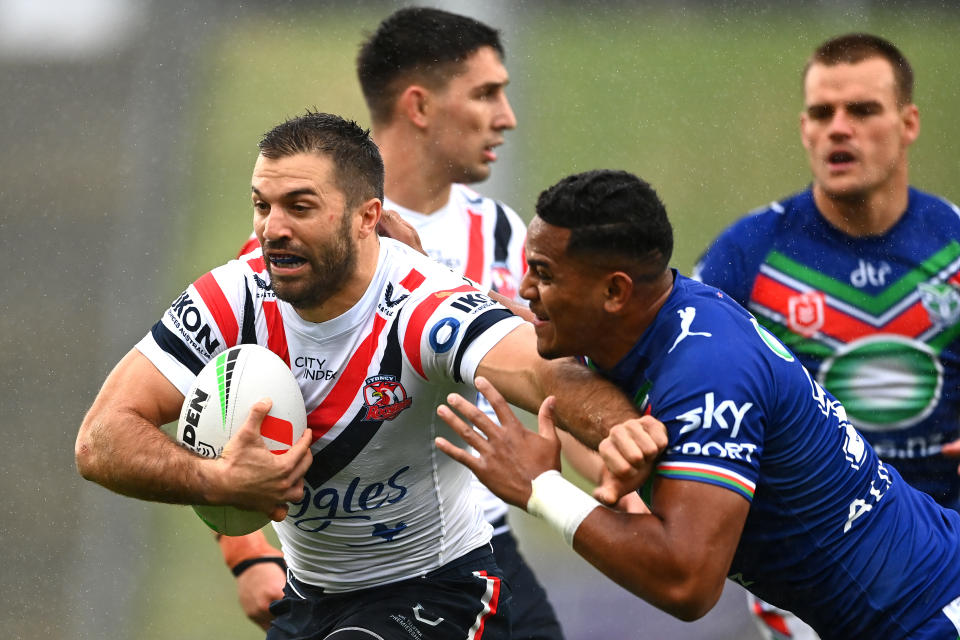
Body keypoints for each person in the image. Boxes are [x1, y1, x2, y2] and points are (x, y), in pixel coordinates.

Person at [74, 113, 663, 639]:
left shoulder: (423, 305)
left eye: (299, 207)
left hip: (439, 592)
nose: (272, 228)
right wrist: (214, 480)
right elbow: (100, 439)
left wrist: (623, 431)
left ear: (367, 217)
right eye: (261, 205)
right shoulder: (233, 295)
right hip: (307, 603)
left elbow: (542, 375)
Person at [433, 168, 960, 640]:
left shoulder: (708, 376)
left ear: (614, 292)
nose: (525, 288)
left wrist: (541, 489)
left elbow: (688, 584)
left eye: (544, 274)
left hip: (926, 616)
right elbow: (518, 320)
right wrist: (425, 281)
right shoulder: (658, 318)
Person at [223, 8, 574, 637]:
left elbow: (536, 381)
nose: (506, 117)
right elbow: (229, 401)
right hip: (365, 565)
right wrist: (249, 556)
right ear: (419, 106)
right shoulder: (305, 244)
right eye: (487, 93)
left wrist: (624, 477)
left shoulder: (500, 230)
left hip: (484, 544)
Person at [692, 33, 960, 639]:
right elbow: (658, 378)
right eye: (822, 113)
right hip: (813, 569)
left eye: (862, 110)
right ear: (805, 128)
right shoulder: (748, 256)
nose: (839, 128)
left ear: (909, 121)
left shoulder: (953, 245)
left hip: (949, 553)